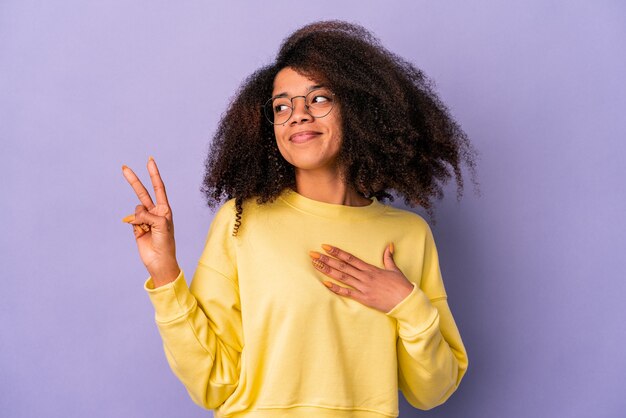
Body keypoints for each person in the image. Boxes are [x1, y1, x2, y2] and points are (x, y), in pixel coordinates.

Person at [122, 20, 476, 418]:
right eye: (282, 106)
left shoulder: (408, 235)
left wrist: (406, 304)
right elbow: (214, 383)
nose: (298, 115)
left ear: (358, 108)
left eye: (319, 99)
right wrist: (165, 271)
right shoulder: (242, 221)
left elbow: (433, 390)